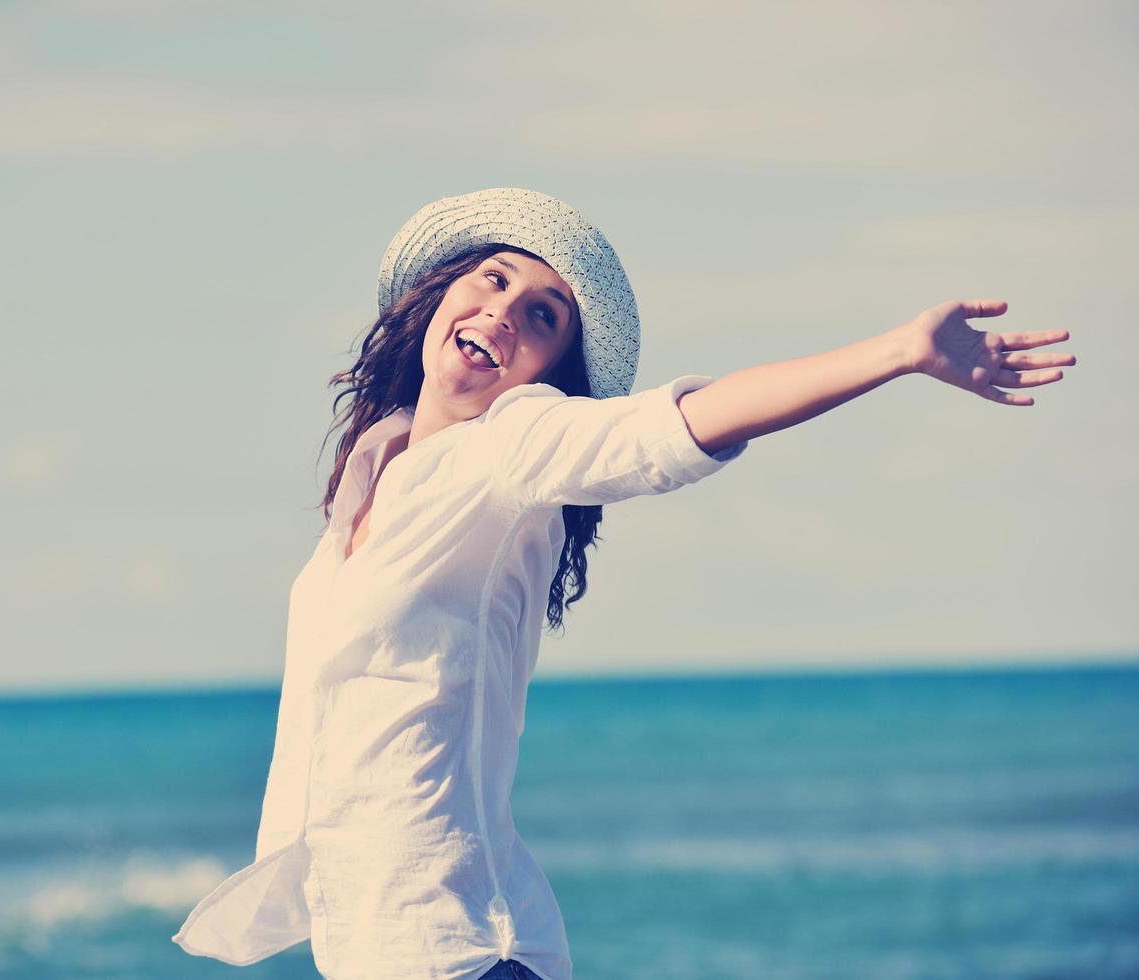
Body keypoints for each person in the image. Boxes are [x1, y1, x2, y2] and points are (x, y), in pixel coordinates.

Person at [171, 187, 1076, 979]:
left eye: (544, 316)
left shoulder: (517, 442)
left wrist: (896, 351)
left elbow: (683, 424)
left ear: (553, 372)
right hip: (372, 949)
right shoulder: (378, 465)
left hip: (459, 951)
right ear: (440, 293)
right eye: (494, 279)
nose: (505, 312)